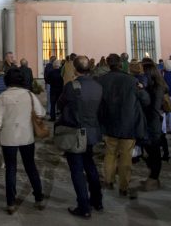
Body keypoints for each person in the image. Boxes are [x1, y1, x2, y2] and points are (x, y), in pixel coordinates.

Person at [0, 67, 46, 214]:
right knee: (30, 166)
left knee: (11, 168)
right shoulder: (29, 95)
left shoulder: (2, 97)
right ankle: (39, 197)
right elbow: (41, 112)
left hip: (8, 137)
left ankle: (11, 202)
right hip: (26, 135)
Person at [97, 54, 149, 199]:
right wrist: (142, 89)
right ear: (120, 64)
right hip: (128, 124)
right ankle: (124, 187)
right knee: (126, 156)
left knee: (110, 153)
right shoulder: (132, 80)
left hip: (109, 122)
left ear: (108, 64)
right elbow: (145, 100)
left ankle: (108, 181)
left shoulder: (101, 80)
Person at [57, 56, 103, 218]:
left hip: (76, 132)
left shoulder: (72, 86)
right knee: (90, 165)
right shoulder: (97, 86)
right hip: (91, 132)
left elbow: (60, 104)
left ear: (75, 69)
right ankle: (97, 200)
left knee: (77, 170)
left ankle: (83, 206)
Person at [141, 62, 167, 191]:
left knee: (154, 151)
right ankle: (153, 177)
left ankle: (153, 178)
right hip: (149, 121)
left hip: (153, 122)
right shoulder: (150, 86)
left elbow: (155, 107)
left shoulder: (157, 88)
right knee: (149, 150)